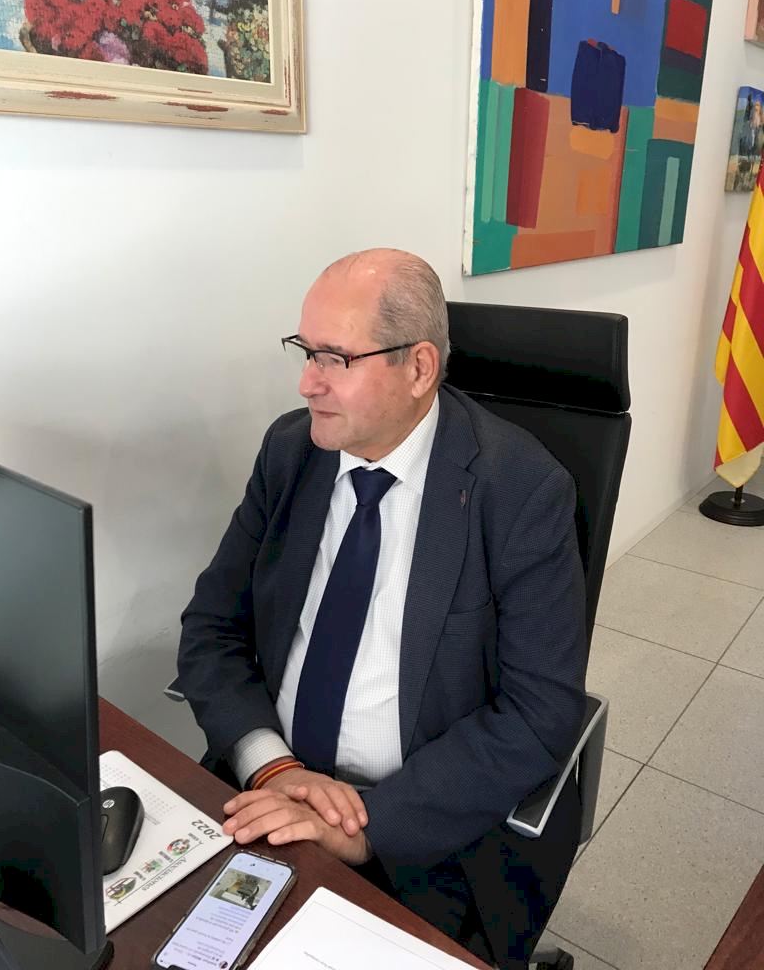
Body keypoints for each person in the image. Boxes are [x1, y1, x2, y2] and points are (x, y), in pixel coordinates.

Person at [178, 248, 587, 968]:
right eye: (306, 351)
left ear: (419, 368)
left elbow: (539, 711)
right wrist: (272, 767)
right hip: (268, 782)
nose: (307, 382)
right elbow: (213, 628)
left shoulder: (520, 490)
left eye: (335, 359)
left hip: (427, 829)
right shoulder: (291, 451)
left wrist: (366, 824)